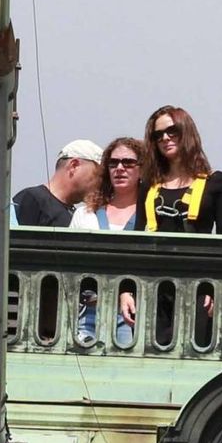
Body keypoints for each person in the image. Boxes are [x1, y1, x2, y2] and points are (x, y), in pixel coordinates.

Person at [120, 106, 222, 346]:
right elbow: (137, 239)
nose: (165, 138)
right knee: (151, 356)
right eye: (158, 135)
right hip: (153, 287)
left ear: (186, 131)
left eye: (172, 131)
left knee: (194, 355)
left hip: (200, 287)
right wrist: (126, 290)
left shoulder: (216, 182)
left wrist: (218, 290)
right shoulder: (149, 185)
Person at [71, 137, 144, 348]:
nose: (120, 168)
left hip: (133, 316)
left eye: (128, 163)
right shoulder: (85, 213)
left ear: (142, 169)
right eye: (113, 163)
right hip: (87, 311)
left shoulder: (151, 216)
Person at [13, 140, 103, 227]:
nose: (101, 183)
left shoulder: (76, 216)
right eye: (99, 175)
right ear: (74, 166)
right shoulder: (33, 199)